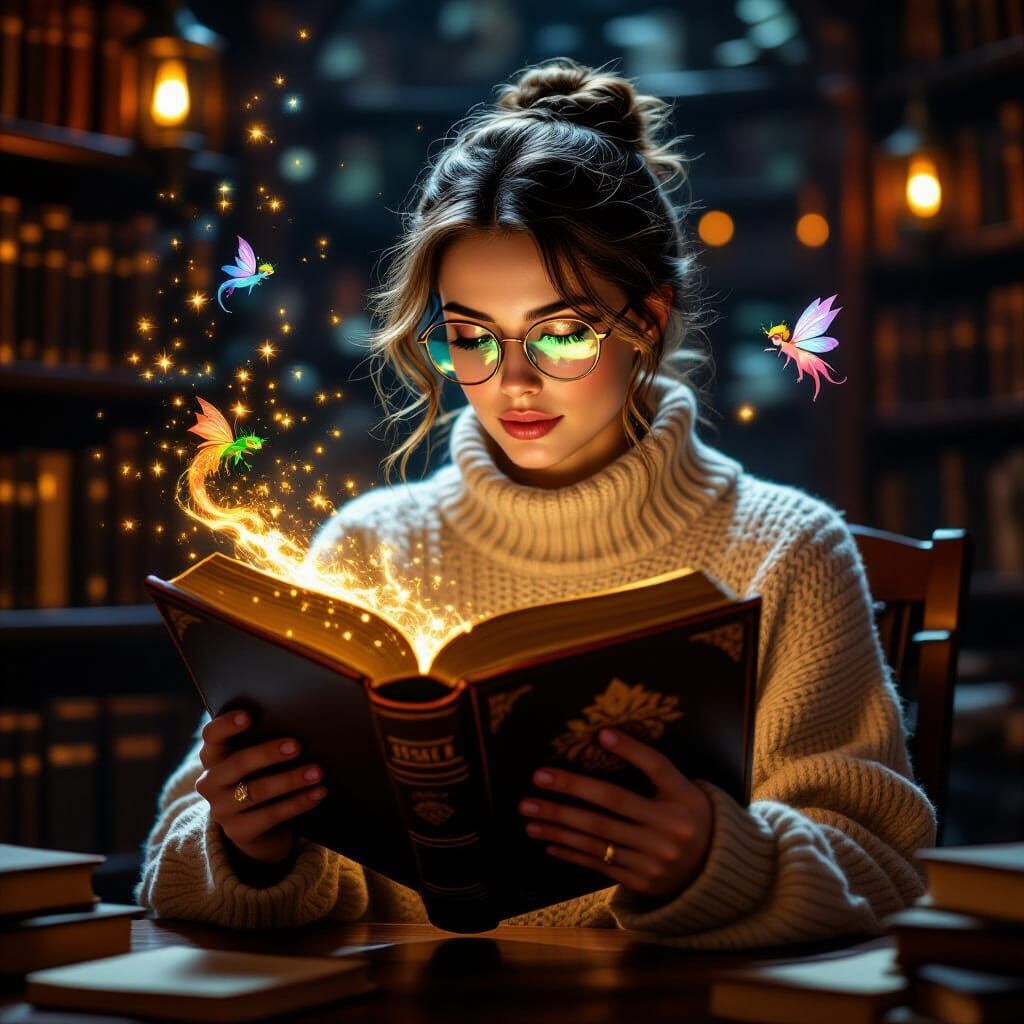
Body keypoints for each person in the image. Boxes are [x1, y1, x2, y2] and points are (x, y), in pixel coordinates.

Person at [135, 57, 936, 948]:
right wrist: (251, 847)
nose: (512, 379)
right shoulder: (369, 550)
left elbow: (887, 863)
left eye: (561, 332)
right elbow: (172, 860)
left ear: (650, 319)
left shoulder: (782, 552)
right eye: (470, 337)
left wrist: (717, 858)